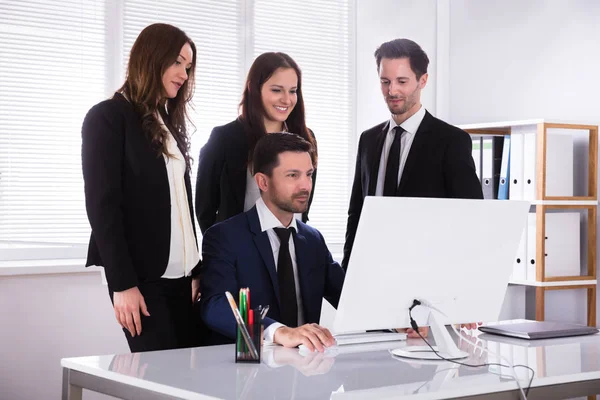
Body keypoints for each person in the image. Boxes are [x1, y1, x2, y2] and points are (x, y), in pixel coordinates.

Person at [81, 23, 202, 352]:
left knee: (189, 381)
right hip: (141, 281)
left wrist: (195, 270)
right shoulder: (107, 117)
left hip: (182, 279)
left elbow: (180, 205)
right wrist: (122, 284)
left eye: (188, 67)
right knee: (159, 381)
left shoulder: (165, 122)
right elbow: (102, 206)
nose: (183, 73)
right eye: (177, 62)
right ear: (151, 57)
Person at [343, 38, 484, 271]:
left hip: (426, 272)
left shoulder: (451, 141)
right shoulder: (368, 140)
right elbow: (356, 213)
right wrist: (347, 272)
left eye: (402, 81)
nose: (392, 90)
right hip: (371, 269)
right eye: (385, 81)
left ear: (423, 80)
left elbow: (470, 217)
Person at [199, 133, 340, 352]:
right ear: (263, 181)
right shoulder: (225, 237)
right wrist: (278, 331)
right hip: (250, 369)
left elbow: (346, 294)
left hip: (306, 369)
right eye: (293, 175)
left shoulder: (313, 240)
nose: (305, 185)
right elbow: (215, 306)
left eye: (309, 174)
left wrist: (397, 322)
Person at [195, 52, 317, 234]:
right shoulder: (224, 138)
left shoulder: (305, 138)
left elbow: (303, 203)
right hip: (240, 253)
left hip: (289, 250)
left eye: (293, 91)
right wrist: (222, 251)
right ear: (254, 89)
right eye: (276, 90)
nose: (286, 99)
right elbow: (205, 208)